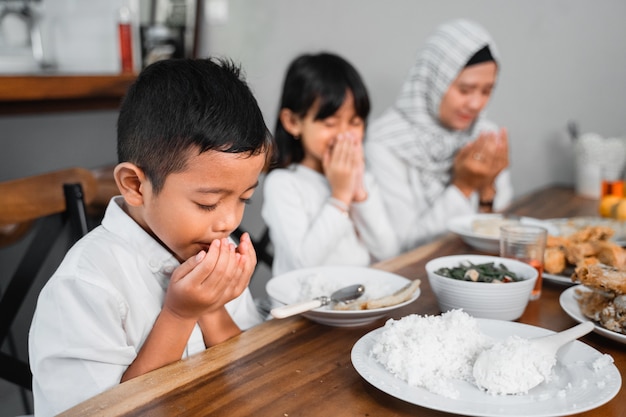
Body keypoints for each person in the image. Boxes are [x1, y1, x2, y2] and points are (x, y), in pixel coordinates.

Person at [28, 58, 273, 416]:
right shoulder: (85, 287)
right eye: (208, 203)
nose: (230, 221)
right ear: (135, 185)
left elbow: (247, 373)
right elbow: (98, 411)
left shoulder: (217, 251)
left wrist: (214, 308)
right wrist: (178, 315)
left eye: (244, 200)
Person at [366, 19, 513, 253]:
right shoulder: (386, 142)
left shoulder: (485, 134)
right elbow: (404, 244)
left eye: (487, 91)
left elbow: (501, 227)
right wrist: (464, 186)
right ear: (433, 81)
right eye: (464, 90)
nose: (476, 104)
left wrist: (488, 190)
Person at [262, 52, 399, 277]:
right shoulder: (283, 183)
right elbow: (301, 265)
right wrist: (340, 198)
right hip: (304, 306)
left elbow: (388, 252)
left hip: (356, 299)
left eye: (355, 122)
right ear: (293, 122)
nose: (344, 135)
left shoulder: (360, 176)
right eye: (330, 123)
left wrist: (359, 194)